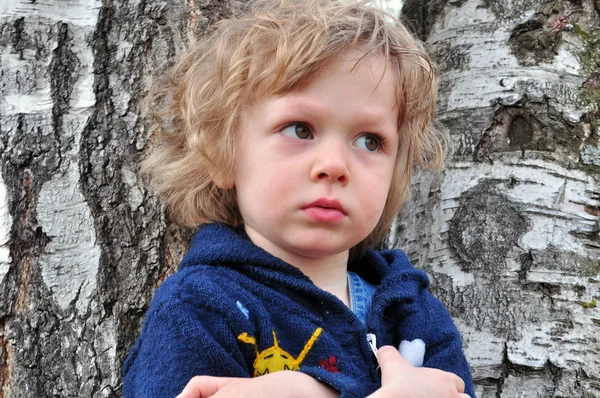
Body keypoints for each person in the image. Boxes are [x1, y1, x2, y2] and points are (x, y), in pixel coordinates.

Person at [123, 0, 475, 397]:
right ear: (222, 154)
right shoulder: (201, 308)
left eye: (369, 141)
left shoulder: (414, 314)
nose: (335, 165)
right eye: (300, 130)